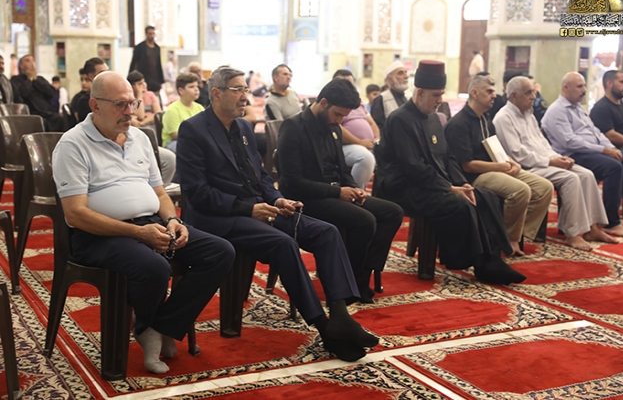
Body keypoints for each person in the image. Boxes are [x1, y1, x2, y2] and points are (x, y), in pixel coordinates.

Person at [177, 66, 380, 362]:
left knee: (326, 232)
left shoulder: (244, 127)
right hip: (221, 217)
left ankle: (339, 314)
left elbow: (260, 177)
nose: (245, 96)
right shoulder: (194, 130)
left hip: (259, 207)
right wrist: (249, 208)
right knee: (283, 243)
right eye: (238, 89)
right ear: (217, 94)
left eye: (246, 89)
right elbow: (198, 192)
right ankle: (323, 327)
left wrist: (278, 198)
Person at [52, 71, 234, 374]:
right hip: (97, 234)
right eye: (120, 104)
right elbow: (76, 214)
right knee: (155, 267)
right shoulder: (73, 144)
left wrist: (172, 219)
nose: (130, 112)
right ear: (95, 105)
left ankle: (161, 326)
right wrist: (139, 233)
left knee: (220, 251)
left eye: (132, 103)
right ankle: (147, 327)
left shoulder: (139, 137)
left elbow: (160, 192)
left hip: (149, 223)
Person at [376, 60, 525, 285]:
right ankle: (479, 261)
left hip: (433, 183)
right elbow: (413, 167)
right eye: (435, 95)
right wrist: (449, 188)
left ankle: (492, 258)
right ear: (420, 92)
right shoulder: (399, 120)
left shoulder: (433, 118)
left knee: (484, 195)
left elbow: (448, 157)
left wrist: (462, 183)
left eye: (442, 94)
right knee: (458, 203)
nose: (440, 100)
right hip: (404, 187)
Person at [277, 77, 403, 301]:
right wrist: (338, 192)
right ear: (323, 103)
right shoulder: (293, 128)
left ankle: (361, 274)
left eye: (344, 116)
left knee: (392, 212)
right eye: (337, 114)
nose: (339, 120)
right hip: (307, 199)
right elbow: (292, 182)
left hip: (335, 194)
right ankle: (350, 283)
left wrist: (354, 188)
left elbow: (342, 169)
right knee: (364, 220)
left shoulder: (334, 128)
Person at [493, 76, 616, 250]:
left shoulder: (529, 115)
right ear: (513, 96)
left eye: (533, 92)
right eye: (528, 93)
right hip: (528, 168)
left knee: (587, 174)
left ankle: (592, 228)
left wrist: (559, 158)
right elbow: (518, 154)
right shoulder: (503, 118)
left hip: (546, 162)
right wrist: (551, 161)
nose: (533, 97)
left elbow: (543, 144)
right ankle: (572, 234)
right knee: (571, 178)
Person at [445, 74, 553, 256]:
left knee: (544, 187)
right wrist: (500, 167)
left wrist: (512, 163)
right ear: (474, 93)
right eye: (489, 92)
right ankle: (508, 240)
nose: (494, 96)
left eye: (494, 92)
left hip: (495, 168)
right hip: (474, 177)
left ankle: (516, 235)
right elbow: (467, 165)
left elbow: (497, 149)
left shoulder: (485, 119)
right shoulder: (459, 124)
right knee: (521, 190)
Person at [542, 72, 623, 236]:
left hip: (592, 151)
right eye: (579, 86)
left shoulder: (578, 108)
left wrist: (611, 148)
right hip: (573, 155)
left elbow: (596, 132)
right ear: (566, 87)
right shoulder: (556, 111)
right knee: (614, 167)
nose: (584, 90)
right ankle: (611, 222)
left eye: (584, 86)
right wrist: (603, 150)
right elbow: (570, 142)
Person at [330, 69, 378, 189]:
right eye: (344, 84)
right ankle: (355, 192)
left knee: (390, 153)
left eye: (350, 84)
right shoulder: (333, 104)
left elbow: (372, 123)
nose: (348, 88)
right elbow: (337, 127)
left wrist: (377, 139)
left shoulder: (358, 102)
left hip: (368, 144)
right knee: (365, 158)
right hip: (345, 145)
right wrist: (360, 142)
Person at [590, 70, 623, 156]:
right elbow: (611, 136)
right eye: (622, 82)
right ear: (609, 83)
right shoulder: (601, 108)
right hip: (620, 148)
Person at [11, 55, 66, 131]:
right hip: (31, 114)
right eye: (27, 60)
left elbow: (51, 93)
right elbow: (23, 94)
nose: (31, 63)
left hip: (48, 112)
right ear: (21, 65)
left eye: (32, 60)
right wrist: (29, 79)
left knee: (62, 119)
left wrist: (35, 79)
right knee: (42, 122)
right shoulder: (15, 80)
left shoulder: (39, 79)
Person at [162, 73, 204, 152]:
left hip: (196, 141)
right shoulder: (172, 109)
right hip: (174, 142)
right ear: (181, 91)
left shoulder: (200, 108)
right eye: (191, 87)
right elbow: (176, 134)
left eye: (196, 86)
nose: (196, 89)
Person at [370, 61, 409, 129]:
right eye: (400, 73)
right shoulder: (381, 99)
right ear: (391, 80)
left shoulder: (407, 99)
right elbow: (377, 127)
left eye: (406, 72)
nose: (406, 76)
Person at [129, 26, 164, 93]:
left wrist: (161, 80)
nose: (152, 36)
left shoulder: (157, 48)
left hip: (155, 79)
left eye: (153, 33)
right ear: (146, 34)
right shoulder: (139, 47)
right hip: (144, 77)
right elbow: (134, 63)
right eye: (150, 34)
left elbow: (159, 64)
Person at [75, 58, 110, 123]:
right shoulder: (84, 102)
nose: (107, 76)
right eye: (102, 73)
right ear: (91, 77)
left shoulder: (112, 95)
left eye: (107, 72)